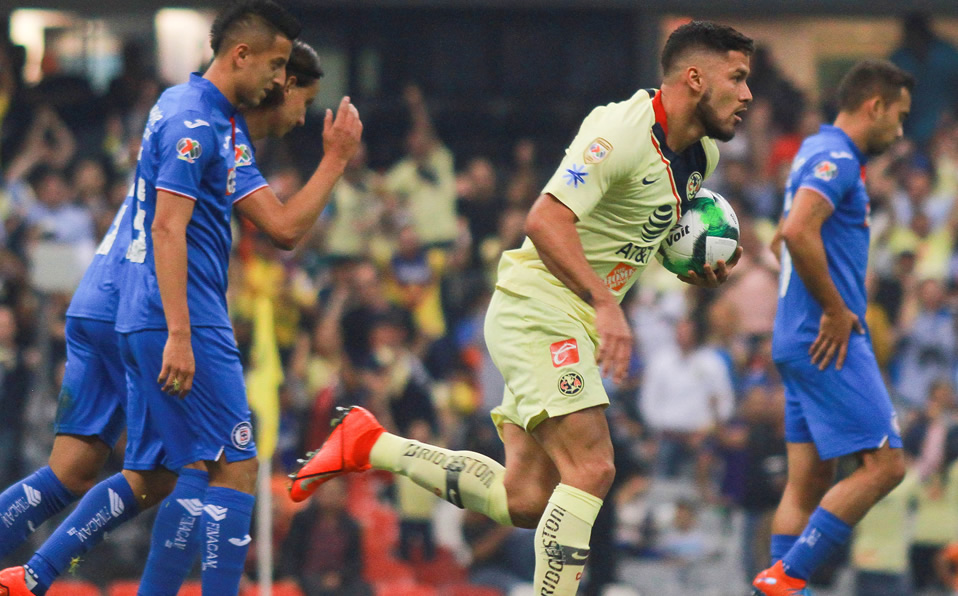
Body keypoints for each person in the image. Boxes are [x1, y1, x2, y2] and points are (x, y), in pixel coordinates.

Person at [291, 20, 752, 596]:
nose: (748, 94)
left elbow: (636, 229)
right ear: (694, 78)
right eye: (736, 78)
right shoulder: (619, 130)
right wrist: (606, 302)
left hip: (574, 314)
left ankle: (368, 443)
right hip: (540, 304)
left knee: (528, 499)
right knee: (593, 468)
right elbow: (545, 219)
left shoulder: (701, 157)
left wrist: (690, 267)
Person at [0, 7, 359, 595]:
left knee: (120, 471)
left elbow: (282, 227)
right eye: (297, 92)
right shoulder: (201, 124)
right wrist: (181, 332)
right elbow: (176, 229)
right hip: (164, 306)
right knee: (221, 465)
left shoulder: (199, 116)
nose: (297, 111)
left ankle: (32, 577)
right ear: (278, 76)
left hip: (107, 297)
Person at [751, 59, 915, 595]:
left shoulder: (813, 150)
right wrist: (834, 308)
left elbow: (783, 233)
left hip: (795, 338)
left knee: (809, 482)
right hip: (828, 338)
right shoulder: (838, 156)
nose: (901, 130)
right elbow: (797, 232)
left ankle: (781, 584)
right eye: (900, 115)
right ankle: (784, 579)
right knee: (886, 465)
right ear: (876, 106)